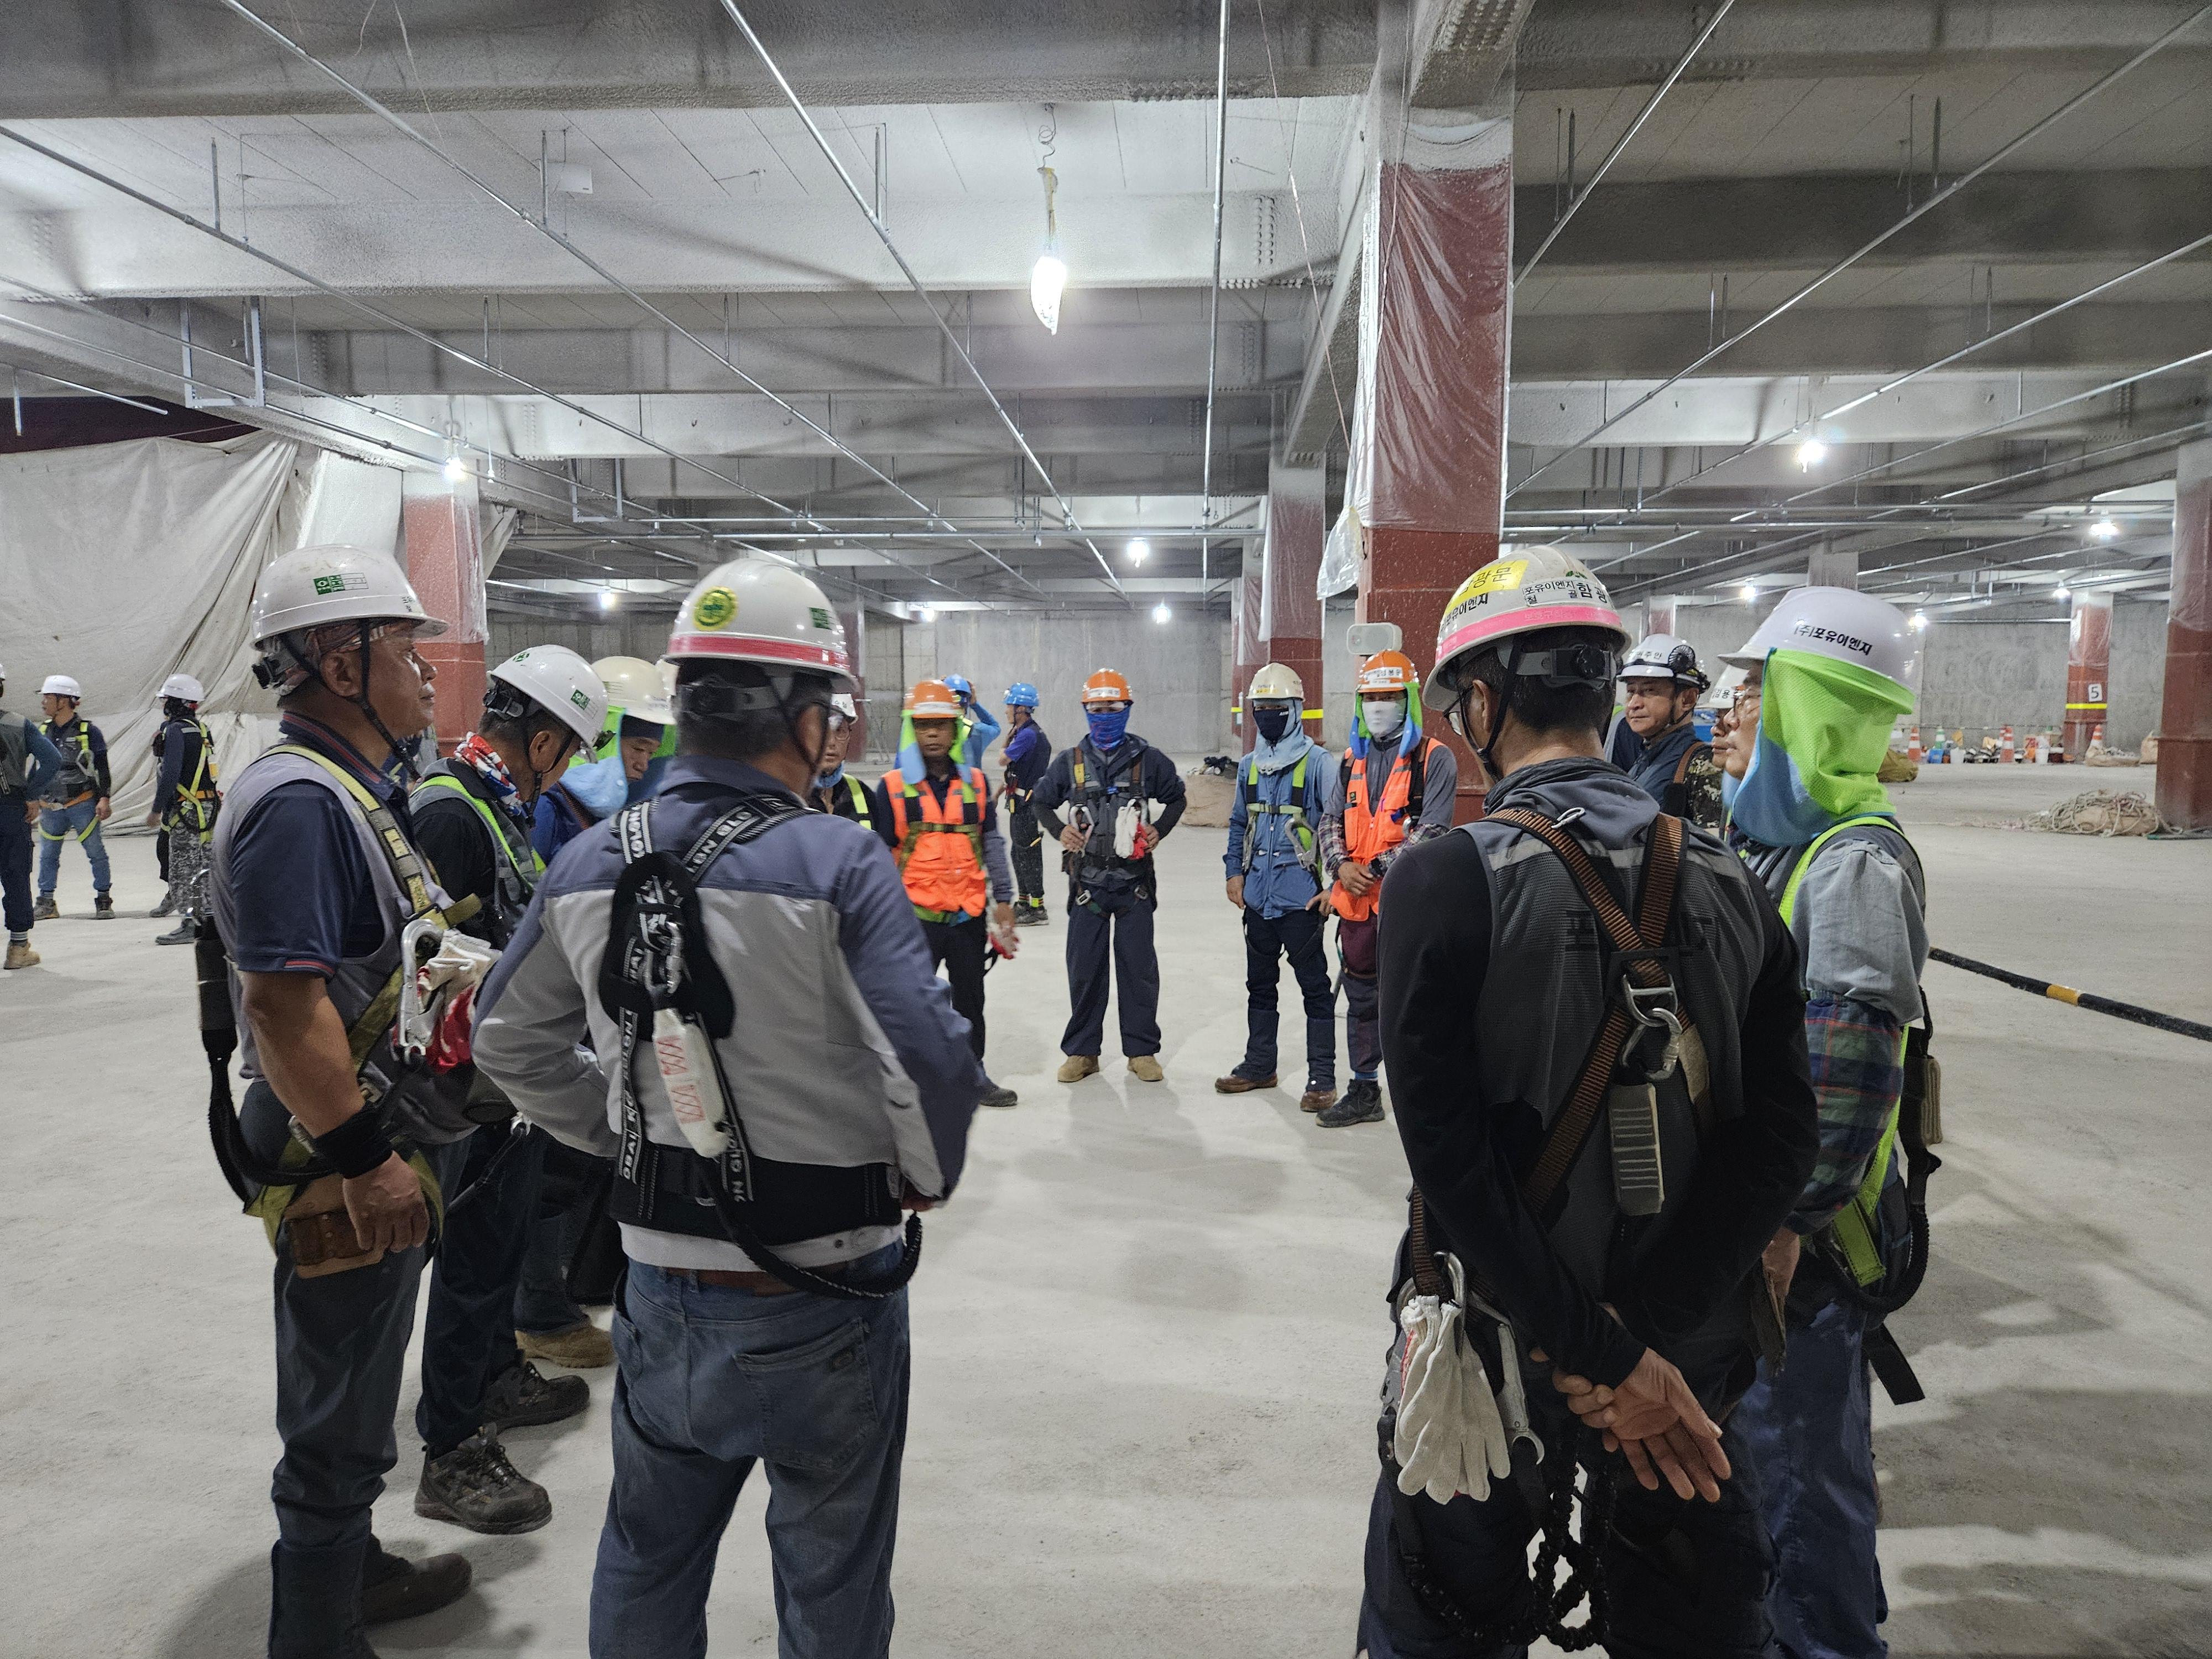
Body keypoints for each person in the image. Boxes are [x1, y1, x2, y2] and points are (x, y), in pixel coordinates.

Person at [471, 557, 987, 1659]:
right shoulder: (838, 861)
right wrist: (923, 1171)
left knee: (647, 1558)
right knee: (832, 1580)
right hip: (828, 1292)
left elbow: (505, 1038)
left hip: (661, 1293)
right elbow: (933, 1060)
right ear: (797, 715)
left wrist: (622, 1133)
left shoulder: (586, 860)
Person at [1357, 545, 1820, 1659]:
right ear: (1602, 690)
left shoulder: (1442, 879)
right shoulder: (1733, 883)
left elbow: (1450, 1163)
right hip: (1680, 1374)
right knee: (1697, 1626)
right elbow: (1781, 1141)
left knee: (1438, 1622)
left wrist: (1592, 1354)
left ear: (1482, 703)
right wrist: (1639, 1353)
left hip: (1495, 1361)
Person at [208, 543, 477, 1657]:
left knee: (362, 1377)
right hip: (340, 1152)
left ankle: (349, 1570)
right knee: (337, 1403)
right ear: (340, 663)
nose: (425, 673)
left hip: (371, 1133)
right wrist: (366, 1159)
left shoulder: (353, 791)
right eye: (405, 650)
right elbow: (282, 1008)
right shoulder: (301, 805)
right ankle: (314, 1633)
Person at [1710, 587, 1929, 1659]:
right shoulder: (1777, 845)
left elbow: (1845, 1083)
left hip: (1803, 1249)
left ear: (1812, 709)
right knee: (1775, 1479)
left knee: (1795, 1488)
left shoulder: (1851, 865)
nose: (1727, 708)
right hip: (1762, 1227)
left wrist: (1779, 1226)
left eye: (1754, 689)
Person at [406, 645, 611, 1533]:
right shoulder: (452, 813)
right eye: (567, 752)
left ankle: (494, 1376)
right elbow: (427, 967)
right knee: (470, 1262)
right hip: (465, 1093)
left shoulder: (494, 805)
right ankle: (452, 1447)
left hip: (506, 1084)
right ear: (544, 740)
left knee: (497, 1249)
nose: (563, 772)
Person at [1029, 669, 1187, 1084]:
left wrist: (1160, 829)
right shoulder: (1070, 762)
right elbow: (1041, 801)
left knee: (1138, 970)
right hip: (1088, 884)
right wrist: (1058, 830)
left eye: (1112, 709)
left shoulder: (1147, 760)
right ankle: (1083, 1052)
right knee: (1085, 969)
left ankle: (1142, 1051)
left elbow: (1176, 798)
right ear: (1086, 711)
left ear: (1127, 709)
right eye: (1096, 710)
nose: (1104, 717)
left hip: (1134, 885)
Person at [1319, 650, 1456, 1128]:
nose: (1379, 705)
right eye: (1371, 697)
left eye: (1389, 696)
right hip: (1358, 909)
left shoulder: (1434, 759)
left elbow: (1433, 830)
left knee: (1415, 999)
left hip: (1409, 907)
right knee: (1361, 1000)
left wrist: (1373, 868)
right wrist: (1340, 866)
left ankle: (1421, 1093)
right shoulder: (1349, 760)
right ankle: (1364, 1090)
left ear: (1409, 699)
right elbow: (1329, 820)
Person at [875, 679, 1020, 1110]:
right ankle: (910, 1080)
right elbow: (879, 857)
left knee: (970, 1002)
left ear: (956, 729)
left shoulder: (976, 784)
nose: (933, 733)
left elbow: (992, 843)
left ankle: (972, 1076)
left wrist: (1004, 901)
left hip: (966, 916)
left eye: (941, 724)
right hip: (915, 919)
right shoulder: (893, 787)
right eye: (924, 725)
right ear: (913, 729)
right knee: (912, 1004)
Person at [1215, 663, 1337, 1113]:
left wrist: (1333, 886)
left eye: (1275, 707)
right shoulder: (1249, 766)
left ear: (1296, 709)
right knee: (1260, 985)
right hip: (1258, 897)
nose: (1266, 715)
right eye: (1260, 707)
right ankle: (1259, 1065)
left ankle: (1322, 1077)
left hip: (1301, 898)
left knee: (1315, 988)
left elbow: (1337, 826)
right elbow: (1238, 823)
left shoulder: (1319, 764)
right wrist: (1234, 872)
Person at [534, 656, 671, 860]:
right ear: (599, 739)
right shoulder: (544, 809)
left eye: (651, 754)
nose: (643, 765)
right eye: (638, 749)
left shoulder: (612, 819)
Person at [146, 674, 222, 945]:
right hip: (208, 807)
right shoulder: (202, 730)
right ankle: (211, 922)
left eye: (166, 699)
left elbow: (171, 774)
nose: (164, 704)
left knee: (182, 869)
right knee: (206, 866)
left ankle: (190, 923)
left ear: (175, 702)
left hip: (186, 810)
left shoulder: (175, 731)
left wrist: (157, 809)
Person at [1618, 634, 1723, 830]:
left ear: (1687, 700)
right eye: (1631, 691)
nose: (1634, 704)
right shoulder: (1645, 759)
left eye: (1649, 691)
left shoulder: (1703, 765)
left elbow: (1713, 844)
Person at [34, 673, 114, 920]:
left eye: (48, 697)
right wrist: (31, 797)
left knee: (95, 852)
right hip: (50, 806)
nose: (43, 702)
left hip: (82, 803)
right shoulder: (41, 731)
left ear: (64, 701)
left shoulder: (89, 731)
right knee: (48, 855)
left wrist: (104, 798)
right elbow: (35, 768)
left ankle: (104, 900)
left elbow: (102, 768)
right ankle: (46, 902)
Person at [1, 660, 65, 969]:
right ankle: (18, 949)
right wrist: (31, 794)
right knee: (15, 876)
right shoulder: (18, 724)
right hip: (10, 809)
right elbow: (52, 759)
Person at [1000, 681, 1052, 925]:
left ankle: (1037, 908)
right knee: (1018, 851)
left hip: (1027, 802)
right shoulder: (1024, 733)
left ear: (1020, 709)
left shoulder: (1028, 735)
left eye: (1009, 706)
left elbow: (1003, 760)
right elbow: (1013, 770)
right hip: (1020, 799)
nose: (1006, 711)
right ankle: (1024, 902)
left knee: (1028, 852)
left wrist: (1006, 742)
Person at [810, 692, 880, 828]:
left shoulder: (863, 794)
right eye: (823, 731)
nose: (831, 742)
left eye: (840, 731)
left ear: (849, 736)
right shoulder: (789, 797)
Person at [943, 672, 1001, 768]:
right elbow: (995, 727)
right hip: (971, 778)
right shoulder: (977, 731)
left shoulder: (932, 733)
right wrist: (974, 704)